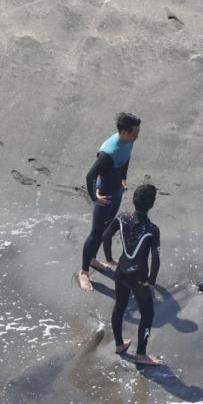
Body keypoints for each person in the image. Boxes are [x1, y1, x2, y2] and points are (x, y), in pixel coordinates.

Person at [78, 112, 141, 292]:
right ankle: (83, 271)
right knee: (96, 233)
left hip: (116, 192)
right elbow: (90, 175)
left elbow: (127, 157)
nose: (138, 135)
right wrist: (94, 197)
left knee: (106, 228)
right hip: (104, 196)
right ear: (124, 132)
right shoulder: (108, 152)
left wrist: (123, 178)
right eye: (135, 132)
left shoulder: (127, 143)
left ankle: (92, 260)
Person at [102, 183, 162, 365]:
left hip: (121, 272)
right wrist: (151, 282)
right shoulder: (152, 229)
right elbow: (156, 259)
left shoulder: (122, 218)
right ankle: (141, 355)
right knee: (148, 314)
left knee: (119, 306)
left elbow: (105, 236)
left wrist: (110, 259)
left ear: (133, 200)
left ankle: (119, 345)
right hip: (139, 278)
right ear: (151, 205)